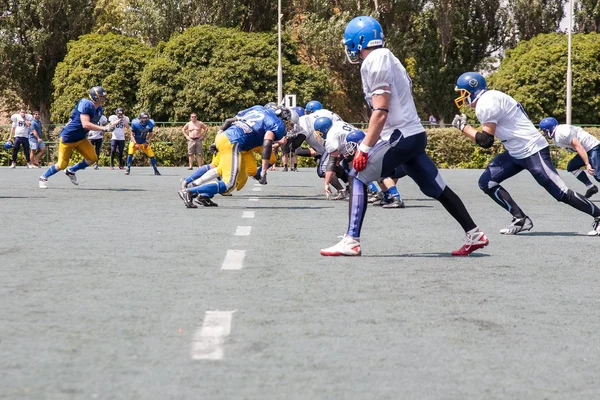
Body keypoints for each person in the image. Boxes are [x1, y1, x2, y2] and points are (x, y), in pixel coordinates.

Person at [320, 16, 488, 256]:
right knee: (436, 188)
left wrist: (365, 147)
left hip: (401, 136)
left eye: (349, 43)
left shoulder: (375, 60)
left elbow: (380, 111)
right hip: (413, 135)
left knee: (357, 174)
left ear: (359, 41)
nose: (348, 49)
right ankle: (474, 234)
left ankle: (351, 241)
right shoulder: (388, 57)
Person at [452, 72, 600, 236]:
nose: (462, 97)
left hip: (532, 149)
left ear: (472, 90)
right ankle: (520, 218)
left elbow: (486, 141)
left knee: (561, 193)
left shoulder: (486, 102)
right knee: (487, 182)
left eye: (463, 93)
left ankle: (599, 215)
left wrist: (463, 127)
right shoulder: (491, 98)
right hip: (516, 152)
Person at [178, 105, 291, 208]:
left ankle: (204, 195)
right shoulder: (276, 123)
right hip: (234, 141)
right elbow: (267, 144)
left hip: (228, 138)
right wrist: (263, 172)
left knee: (235, 180)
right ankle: (190, 191)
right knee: (228, 183)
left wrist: (217, 140)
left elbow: (234, 121)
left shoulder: (258, 109)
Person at [38, 86, 115, 189]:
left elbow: (93, 124)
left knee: (93, 158)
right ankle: (43, 177)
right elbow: (85, 124)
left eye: (103, 96)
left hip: (81, 138)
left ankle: (71, 170)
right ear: (94, 96)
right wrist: (104, 128)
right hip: (68, 137)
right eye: (101, 96)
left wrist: (109, 126)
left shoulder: (99, 109)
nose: (103, 98)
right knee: (62, 164)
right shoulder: (86, 104)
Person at [539, 117, 600, 199]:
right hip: (586, 150)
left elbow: (579, 147)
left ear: (550, 128)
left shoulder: (562, 132)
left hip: (593, 147)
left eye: (545, 131)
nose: (544, 133)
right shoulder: (557, 136)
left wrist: (587, 164)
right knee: (572, 167)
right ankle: (591, 186)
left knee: (598, 175)